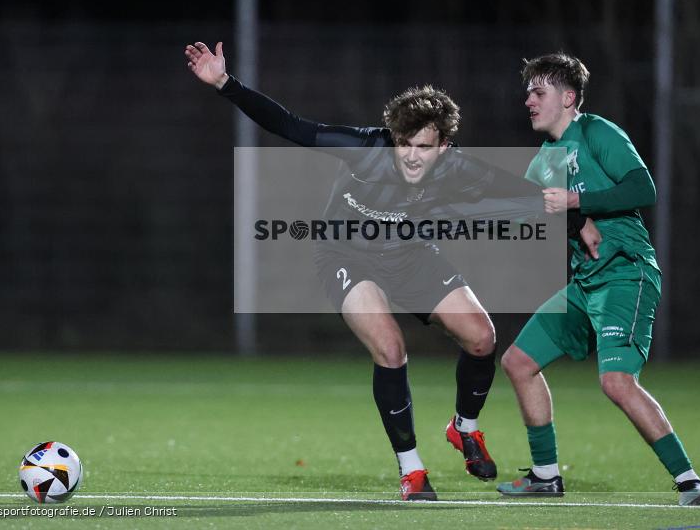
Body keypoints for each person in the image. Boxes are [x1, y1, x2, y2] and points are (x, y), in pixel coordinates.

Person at [185, 41, 601, 501]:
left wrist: (579, 219)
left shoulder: (459, 168)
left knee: (482, 337)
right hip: (346, 256)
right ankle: (412, 470)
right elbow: (292, 127)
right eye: (404, 144)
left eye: (424, 147)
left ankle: (464, 428)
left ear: (445, 145)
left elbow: (521, 191)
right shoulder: (368, 148)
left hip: (409, 253)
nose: (411, 157)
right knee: (390, 346)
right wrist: (225, 83)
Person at [497, 52, 700, 506]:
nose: (529, 101)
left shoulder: (597, 131)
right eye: (528, 93)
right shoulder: (544, 159)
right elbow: (535, 213)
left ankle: (690, 481)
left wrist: (578, 204)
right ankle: (545, 475)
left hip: (624, 273)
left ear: (569, 97)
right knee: (518, 362)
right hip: (585, 282)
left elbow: (643, 189)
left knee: (616, 382)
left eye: (539, 92)